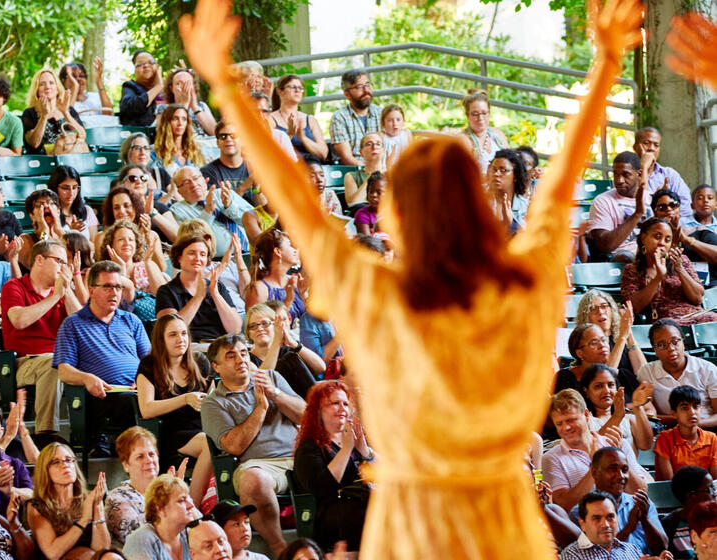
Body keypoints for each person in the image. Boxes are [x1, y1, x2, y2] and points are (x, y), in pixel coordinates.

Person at [179, 0, 642, 555]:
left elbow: (296, 202)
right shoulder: (521, 280)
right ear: (474, 199)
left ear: (399, 211)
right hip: (501, 524)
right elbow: (558, 186)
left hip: (411, 525)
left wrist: (227, 90)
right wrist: (606, 63)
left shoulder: (378, 292)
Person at [200, 334, 306, 555]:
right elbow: (233, 446)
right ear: (216, 367)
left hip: (299, 457)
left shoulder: (271, 378)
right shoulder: (213, 402)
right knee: (252, 480)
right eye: (231, 356)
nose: (240, 360)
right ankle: (280, 549)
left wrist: (275, 394)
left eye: (243, 353)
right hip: (259, 466)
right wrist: (260, 409)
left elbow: (307, 417)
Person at [55, 260, 150, 452]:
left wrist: (144, 380)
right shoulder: (73, 324)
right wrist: (86, 378)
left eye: (118, 287)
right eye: (107, 287)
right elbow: (64, 371)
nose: (114, 293)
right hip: (102, 396)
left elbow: (150, 362)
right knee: (129, 402)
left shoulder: (131, 320)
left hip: (138, 391)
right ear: (91, 290)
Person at [0, 239, 82, 435]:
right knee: (56, 363)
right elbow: (19, 320)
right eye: (59, 261)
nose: (64, 268)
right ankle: (46, 433)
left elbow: (81, 327)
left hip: (60, 360)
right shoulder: (14, 287)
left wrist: (66, 291)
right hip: (24, 362)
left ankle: (93, 435)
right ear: (39, 259)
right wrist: (54, 297)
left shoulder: (61, 291)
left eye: (66, 264)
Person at [136, 313, 215, 504]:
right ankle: (192, 505)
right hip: (172, 431)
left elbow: (213, 402)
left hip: (204, 426)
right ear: (161, 340)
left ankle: (216, 498)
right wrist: (185, 399)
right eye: (172, 335)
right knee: (209, 443)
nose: (180, 339)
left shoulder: (200, 363)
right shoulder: (149, 365)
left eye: (183, 334)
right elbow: (146, 409)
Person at [293, 380, 373, 552]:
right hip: (335, 513)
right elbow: (322, 487)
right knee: (364, 513)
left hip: (363, 503)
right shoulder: (309, 447)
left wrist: (364, 451)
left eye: (345, 403)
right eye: (335, 403)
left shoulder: (354, 437)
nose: (342, 409)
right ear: (318, 410)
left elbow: (379, 474)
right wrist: (346, 450)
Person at [543, 389, 648, 511]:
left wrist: (618, 460)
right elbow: (564, 507)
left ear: (586, 415)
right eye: (559, 424)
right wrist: (596, 465)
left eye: (571, 420)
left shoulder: (616, 443)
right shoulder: (550, 459)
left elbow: (640, 492)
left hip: (627, 518)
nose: (565, 427)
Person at [567, 446, 668, 555]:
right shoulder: (581, 511)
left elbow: (662, 548)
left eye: (624, 470)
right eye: (612, 469)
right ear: (595, 473)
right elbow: (597, 555)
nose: (621, 476)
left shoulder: (641, 503)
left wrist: (645, 520)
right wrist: (629, 527)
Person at [621, 217, 717, 323]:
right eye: (657, 237)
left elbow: (697, 298)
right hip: (666, 325)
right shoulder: (632, 270)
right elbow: (634, 307)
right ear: (643, 238)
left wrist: (680, 269)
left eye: (667, 240)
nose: (662, 243)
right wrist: (658, 278)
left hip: (696, 316)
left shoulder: (681, 261)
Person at [27, 443, 111, 559]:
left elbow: (102, 550)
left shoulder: (90, 499)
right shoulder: (37, 506)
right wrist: (84, 520)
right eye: (56, 462)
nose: (65, 465)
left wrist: (97, 508)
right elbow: (53, 553)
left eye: (68, 460)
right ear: (45, 471)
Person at [156, 234, 242, 341]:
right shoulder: (166, 291)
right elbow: (171, 329)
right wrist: (198, 297)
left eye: (202, 254)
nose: (197, 258)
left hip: (222, 345)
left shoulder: (217, 286)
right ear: (179, 257)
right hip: (189, 347)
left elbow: (235, 329)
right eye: (192, 253)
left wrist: (215, 295)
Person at [638, 318, 717, 423]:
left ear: (683, 342)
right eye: (662, 345)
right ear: (654, 349)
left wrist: (692, 425)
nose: (671, 348)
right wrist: (681, 423)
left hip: (706, 430)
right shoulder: (647, 372)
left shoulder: (708, 369)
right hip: (666, 431)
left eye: (675, 342)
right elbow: (649, 414)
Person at [168, 166, 253, 259]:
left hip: (252, 251)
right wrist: (207, 211)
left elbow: (255, 220)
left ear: (205, 180)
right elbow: (191, 240)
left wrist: (229, 206)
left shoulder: (225, 193)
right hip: (217, 262)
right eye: (186, 182)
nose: (193, 184)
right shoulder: (177, 210)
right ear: (179, 191)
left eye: (196, 178)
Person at [576, 290, 649, 395]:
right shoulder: (589, 346)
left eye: (604, 306)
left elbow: (644, 375)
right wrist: (623, 336)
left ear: (612, 311)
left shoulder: (623, 338)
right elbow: (606, 375)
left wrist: (629, 333)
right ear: (586, 316)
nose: (600, 312)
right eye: (593, 309)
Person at [245, 304, 321, 399]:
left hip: (299, 401)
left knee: (290, 357)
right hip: (272, 406)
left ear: (276, 325)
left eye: (265, 323)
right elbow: (263, 382)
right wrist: (277, 340)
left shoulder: (286, 351)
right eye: (253, 326)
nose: (259, 328)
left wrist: (293, 344)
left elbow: (320, 368)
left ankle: (316, 405)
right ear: (248, 333)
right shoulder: (246, 358)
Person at [98, 220, 169, 318]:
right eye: (121, 239)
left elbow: (165, 299)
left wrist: (148, 262)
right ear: (111, 244)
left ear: (136, 244)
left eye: (131, 239)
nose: (127, 243)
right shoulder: (104, 272)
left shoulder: (148, 265)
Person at [588, 151, 651, 261]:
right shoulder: (603, 201)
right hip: (623, 258)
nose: (619, 180)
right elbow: (605, 245)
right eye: (616, 174)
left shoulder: (650, 198)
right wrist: (637, 214)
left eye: (625, 174)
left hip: (652, 253)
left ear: (639, 174)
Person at [105, 428, 163, 547]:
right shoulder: (117, 499)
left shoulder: (168, 489)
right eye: (140, 456)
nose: (149, 460)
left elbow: (195, 525)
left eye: (152, 454)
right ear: (126, 465)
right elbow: (141, 540)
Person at [579, 364, 654, 454]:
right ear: (586, 391)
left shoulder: (628, 419)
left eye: (611, 385)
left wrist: (638, 406)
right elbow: (595, 448)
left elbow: (645, 445)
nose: (606, 391)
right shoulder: (585, 421)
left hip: (631, 468)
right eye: (598, 386)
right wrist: (617, 416)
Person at [652, 187, 717, 288]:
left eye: (673, 205)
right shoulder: (650, 237)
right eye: (662, 207)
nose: (668, 209)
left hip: (706, 286)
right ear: (655, 213)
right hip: (666, 287)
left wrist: (687, 240)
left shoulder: (699, 231)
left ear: (679, 209)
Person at [122, 474, 197, 560]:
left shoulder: (190, 535)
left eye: (188, 499)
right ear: (161, 509)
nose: (190, 505)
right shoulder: (140, 541)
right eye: (181, 501)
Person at [555, 322, 639, 397]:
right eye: (594, 343)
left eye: (604, 340)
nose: (602, 345)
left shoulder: (623, 375)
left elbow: (646, 405)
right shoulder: (564, 378)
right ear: (580, 353)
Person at [559, 490, 646, 560]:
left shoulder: (632, 550)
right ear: (583, 524)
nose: (605, 525)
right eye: (597, 518)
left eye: (610, 517)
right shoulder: (572, 555)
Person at [97, 186, 168, 272]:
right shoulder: (101, 237)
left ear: (135, 207)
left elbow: (161, 269)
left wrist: (146, 236)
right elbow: (102, 271)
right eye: (116, 208)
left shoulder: (152, 235)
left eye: (127, 206)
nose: (122, 211)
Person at [654, 385, 717, 481]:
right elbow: (668, 481)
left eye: (696, 407)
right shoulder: (664, 438)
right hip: (673, 493)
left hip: (705, 493)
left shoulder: (712, 439)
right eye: (684, 408)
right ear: (674, 414)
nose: (692, 412)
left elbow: (715, 480)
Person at [245, 228, 306, 320]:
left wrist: (304, 296)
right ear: (278, 251)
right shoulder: (259, 289)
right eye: (290, 245)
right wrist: (288, 301)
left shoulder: (295, 282)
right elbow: (259, 328)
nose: (295, 250)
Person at [21, 69, 84, 155]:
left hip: (68, 156)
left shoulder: (69, 110)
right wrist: (44, 115)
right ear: (37, 91)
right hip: (43, 161)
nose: (47, 87)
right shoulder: (29, 113)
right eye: (42, 84)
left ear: (57, 88)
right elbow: (34, 143)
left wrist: (65, 112)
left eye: (51, 83)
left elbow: (82, 135)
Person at [633, 127, 692, 217]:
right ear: (635, 147)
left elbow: (686, 207)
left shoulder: (669, 174)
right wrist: (644, 167)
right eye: (646, 143)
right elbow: (638, 208)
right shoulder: (629, 174)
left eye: (656, 145)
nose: (651, 148)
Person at [328, 70, 383, 166]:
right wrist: (369, 171)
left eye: (367, 85)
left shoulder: (381, 113)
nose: (366, 90)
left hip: (382, 169)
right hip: (355, 173)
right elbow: (347, 158)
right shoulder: (339, 118)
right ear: (347, 94)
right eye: (359, 87)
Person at [269, 74, 327, 161]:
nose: (297, 90)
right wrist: (289, 135)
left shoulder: (310, 120)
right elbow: (270, 154)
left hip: (313, 170)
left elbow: (323, 154)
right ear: (280, 91)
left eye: (300, 88)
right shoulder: (270, 119)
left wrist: (303, 138)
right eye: (292, 87)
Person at [661, 466, 714, 558]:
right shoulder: (670, 526)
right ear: (691, 495)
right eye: (708, 490)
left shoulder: (714, 519)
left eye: (713, 488)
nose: (714, 493)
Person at [458, 89, 509, 174]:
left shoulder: (497, 134)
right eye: (475, 114)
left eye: (484, 113)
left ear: (489, 113)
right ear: (467, 115)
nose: (480, 118)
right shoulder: (463, 140)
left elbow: (512, 163)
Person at [201, 122, 254, 202]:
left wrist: (257, 190)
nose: (228, 139)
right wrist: (243, 188)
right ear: (217, 143)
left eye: (233, 136)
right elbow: (220, 208)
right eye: (223, 136)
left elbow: (263, 207)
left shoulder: (255, 167)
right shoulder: (208, 172)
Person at [156, 68, 216, 137]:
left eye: (188, 83)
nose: (184, 87)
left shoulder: (201, 106)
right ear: (172, 88)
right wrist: (183, 105)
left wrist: (195, 107)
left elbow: (214, 132)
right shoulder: (163, 108)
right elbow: (166, 135)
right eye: (179, 83)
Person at [154, 104, 206, 175]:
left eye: (184, 119)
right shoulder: (155, 153)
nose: (180, 123)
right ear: (167, 122)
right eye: (175, 119)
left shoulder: (195, 151)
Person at [51, 165, 100, 241]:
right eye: (65, 188)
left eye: (74, 188)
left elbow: (95, 246)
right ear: (55, 188)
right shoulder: (50, 215)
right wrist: (72, 234)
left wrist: (75, 235)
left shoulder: (87, 211)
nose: (71, 193)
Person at [487, 149, 530, 234]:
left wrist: (509, 226)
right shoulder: (479, 199)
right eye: (494, 169)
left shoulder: (524, 208)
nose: (496, 174)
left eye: (503, 170)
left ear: (515, 176)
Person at [120, 50, 165, 126]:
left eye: (151, 62)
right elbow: (128, 107)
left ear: (157, 67)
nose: (146, 66)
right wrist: (158, 87)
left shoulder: (170, 88)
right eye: (140, 64)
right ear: (135, 72)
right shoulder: (130, 86)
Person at [341, 133, 385, 209]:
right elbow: (353, 204)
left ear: (383, 151)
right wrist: (374, 173)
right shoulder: (351, 176)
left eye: (378, 144)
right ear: (361, 152)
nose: (374, 147)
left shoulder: (391, 173)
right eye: (369, 144)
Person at [353, 172, 387, 236]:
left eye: (379, 192)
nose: (373, 195)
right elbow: (367, 243)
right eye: (370, 191)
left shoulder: (396, 212)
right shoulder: (362, 214)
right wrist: (377, 230)